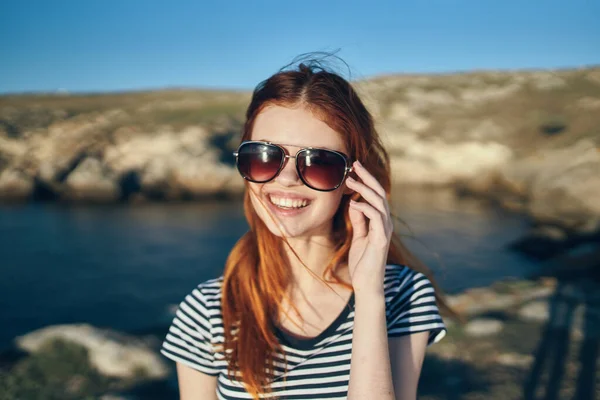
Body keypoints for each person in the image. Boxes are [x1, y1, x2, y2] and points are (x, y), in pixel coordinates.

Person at [161, 57, 450, 400]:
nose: (285, 179)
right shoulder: (209, 309)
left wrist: (370, 294)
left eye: (320, 163)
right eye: (265, 155)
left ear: (352, 179)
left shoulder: (403, 295)